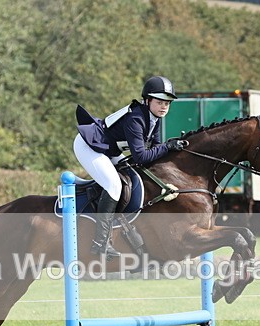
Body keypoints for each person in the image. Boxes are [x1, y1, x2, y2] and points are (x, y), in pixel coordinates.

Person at [74, 75, 188, 259]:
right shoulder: (136, 118)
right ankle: (100, 243)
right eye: (160, 102)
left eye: (167, 103)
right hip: (89, 146)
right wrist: (167, 146)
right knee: (114, 185)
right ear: (147, 100)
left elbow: (155, 149)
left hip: (107, 149)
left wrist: (169, 147)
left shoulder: (154, 119)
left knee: (130, 176)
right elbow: (142, 156)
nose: (164, 106)